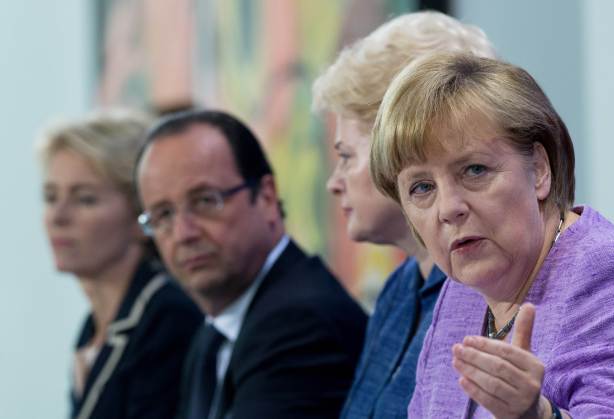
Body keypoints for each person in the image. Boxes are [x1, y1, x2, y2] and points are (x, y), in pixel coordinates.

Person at [370, 53, 614, 418]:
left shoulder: (608, 269)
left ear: (538, 170)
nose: (448, 208)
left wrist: (539, 416)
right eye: (422, 187)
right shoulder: (461, 291)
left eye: (474, 169)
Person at [311, 11, 496, 418]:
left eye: (346, 157)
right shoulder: (399, 289)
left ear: (401, 147)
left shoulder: (493, 293)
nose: (334, 181)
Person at [135, 109, 368, 419]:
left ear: (266, 197)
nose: (183, 234)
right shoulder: (213, 333)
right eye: (163, 215)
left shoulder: (300, 324)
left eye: (205, 201)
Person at [37, 110, 203, 419]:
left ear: (143, 216)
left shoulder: (166, 316)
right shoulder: (93, 329)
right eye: (50, 197)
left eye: (85, 199)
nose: (58, 217)